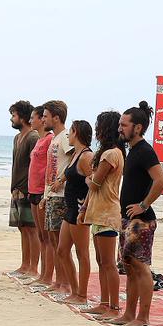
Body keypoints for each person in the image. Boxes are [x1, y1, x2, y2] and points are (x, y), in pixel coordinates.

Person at [110, 102, 163, 326]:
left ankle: (143, 317)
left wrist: (143, 205)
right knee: (130, 267)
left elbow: (161, 180)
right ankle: (129, 314)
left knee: (141, 267)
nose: (120, 128)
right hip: (128, 220)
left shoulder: (145, 150)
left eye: (124, 125)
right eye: (120, 124)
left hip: (141, 222)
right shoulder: (133, 150)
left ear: (138, 127)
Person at [80, 111, 126, 318]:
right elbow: (94, 187)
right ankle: (104, 302)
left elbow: (95, 183)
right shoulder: (107, 153)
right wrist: (84, 208)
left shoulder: (111, 154)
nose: (96, 131)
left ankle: (114, 307)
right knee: (101, 261)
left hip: (108, 212)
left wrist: (88, 178)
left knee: (108, 263)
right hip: (98, 211)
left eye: (99, 127)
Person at [57, 120, 95, 304]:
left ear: (77, 132)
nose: (68, 135)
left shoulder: (87, 156)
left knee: (82, 253)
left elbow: (94, 182)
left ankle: (82, 295)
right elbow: (69, 174)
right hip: (70, 208)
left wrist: (86, 207)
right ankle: (75, 290)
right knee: (62, 251)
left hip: (80, 209)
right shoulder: (75, 154)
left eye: (70, 131)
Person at [40, 101, 75, 294]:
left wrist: (62, 180)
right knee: (53, 241)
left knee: (60, 243)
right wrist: (46, 195)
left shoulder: (65, 136)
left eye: (46, 116)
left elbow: (74, 158)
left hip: (62, 195)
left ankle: (65, 282)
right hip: (52, 195)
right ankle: (59, 281)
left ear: (56, 117)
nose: (43, 119)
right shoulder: (54, 139)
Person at [9, 100, 40, 277]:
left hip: (27, 189)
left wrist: (27, 188)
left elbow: (35, 166)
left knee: (31, 228)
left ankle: (33, 267)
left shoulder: (32, 137)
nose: (12, 119)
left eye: (14, 115)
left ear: (23, 117)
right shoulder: (17, 137)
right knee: (22, 227)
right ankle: (25, 264)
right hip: (16, 188)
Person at [27, 105, 56, 286]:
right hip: (33, 190)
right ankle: (42, 275)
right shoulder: (39, 139)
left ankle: (47, 276)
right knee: (41, 236)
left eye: (34, 117)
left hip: (42, 191)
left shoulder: (50, 139)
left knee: (47, 237)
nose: (32, 121)